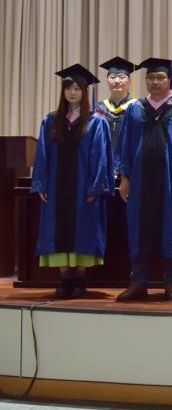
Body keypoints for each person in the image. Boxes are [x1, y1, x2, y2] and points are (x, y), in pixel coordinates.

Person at [116, 58, 172, 302]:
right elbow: (125, 145)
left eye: (160, 78)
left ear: (170, 80)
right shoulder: (135, 109)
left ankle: (171, 281)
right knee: (139, 227)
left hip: (170, 180)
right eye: (151, 78)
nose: (155, 82)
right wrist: (124, 178)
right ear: (146, 80)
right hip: (140, 180)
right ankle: (138, 282)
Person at [31, 65, 113, 299]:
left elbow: (101, 156)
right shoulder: (51, 121)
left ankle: (79, 279)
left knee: (83, 229)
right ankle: (65, 277)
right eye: (68, 88)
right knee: (56, 229)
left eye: (77, 88)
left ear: (84, 92)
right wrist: (41, 183)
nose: (72, 92)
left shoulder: (96, 122)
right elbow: (42, 154)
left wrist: (96, 186)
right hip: (57, 187)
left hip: (83, 188)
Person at [94, 57, 137, 151]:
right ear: (107, 81)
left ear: (129, 81)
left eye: (122, 77)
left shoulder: (137, 107)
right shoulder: (99, 108)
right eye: (112, 77)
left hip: (128, 157)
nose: (117, 81)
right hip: (104, 157)